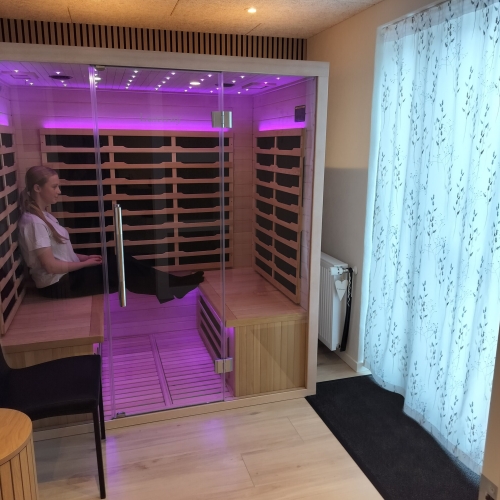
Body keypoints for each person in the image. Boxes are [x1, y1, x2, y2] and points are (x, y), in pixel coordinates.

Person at [18, 165, 204, 303]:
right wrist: (85, 264)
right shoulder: (34, 223)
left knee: (121, 259)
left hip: (66, 277)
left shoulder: (45, 217)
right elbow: (50, 266)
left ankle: (173, 285)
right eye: (54, 187)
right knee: (119, 269)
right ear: (37, 188)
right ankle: (173, 287)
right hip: (57, 285)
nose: (59, 191)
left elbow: (60, 254)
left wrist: (85, 258)